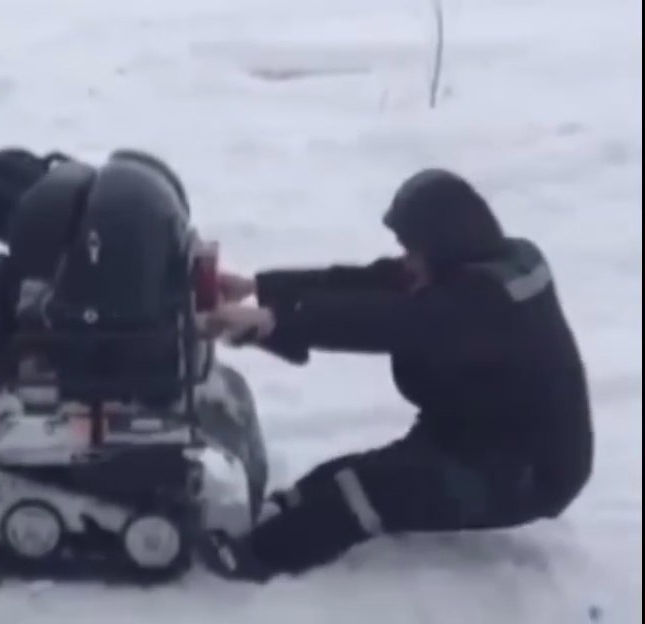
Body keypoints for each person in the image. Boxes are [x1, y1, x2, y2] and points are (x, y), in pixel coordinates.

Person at [200, 168, 594, 582]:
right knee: (333, 477)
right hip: (472, 434)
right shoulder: (485, 261)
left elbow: (389, 320)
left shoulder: (484, 301)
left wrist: (274, 322)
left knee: (363, 493)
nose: (407, 260)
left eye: (413, 250)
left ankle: (257, 559)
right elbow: (375, 284)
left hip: (526, 471)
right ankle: (275, 514)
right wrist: (257, 289)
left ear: (445, 241)